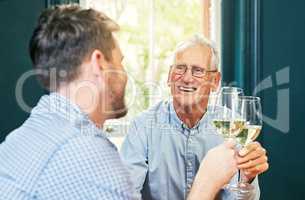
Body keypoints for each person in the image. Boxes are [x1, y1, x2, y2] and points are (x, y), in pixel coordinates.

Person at [0, 5, 245, 200]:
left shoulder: (26, 135)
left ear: (215, 81)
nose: (125, 74)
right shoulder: (89, 156)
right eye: (120, 62)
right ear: (99, 63)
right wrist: (206, 183)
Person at [120, 35, 269, 200]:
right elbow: (124, 195)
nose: (187, 78)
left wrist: (247, 179)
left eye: (198, 70)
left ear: (215, 81)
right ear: (169, 76)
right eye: (180, 68)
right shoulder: (142, 127)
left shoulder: (233, 126)